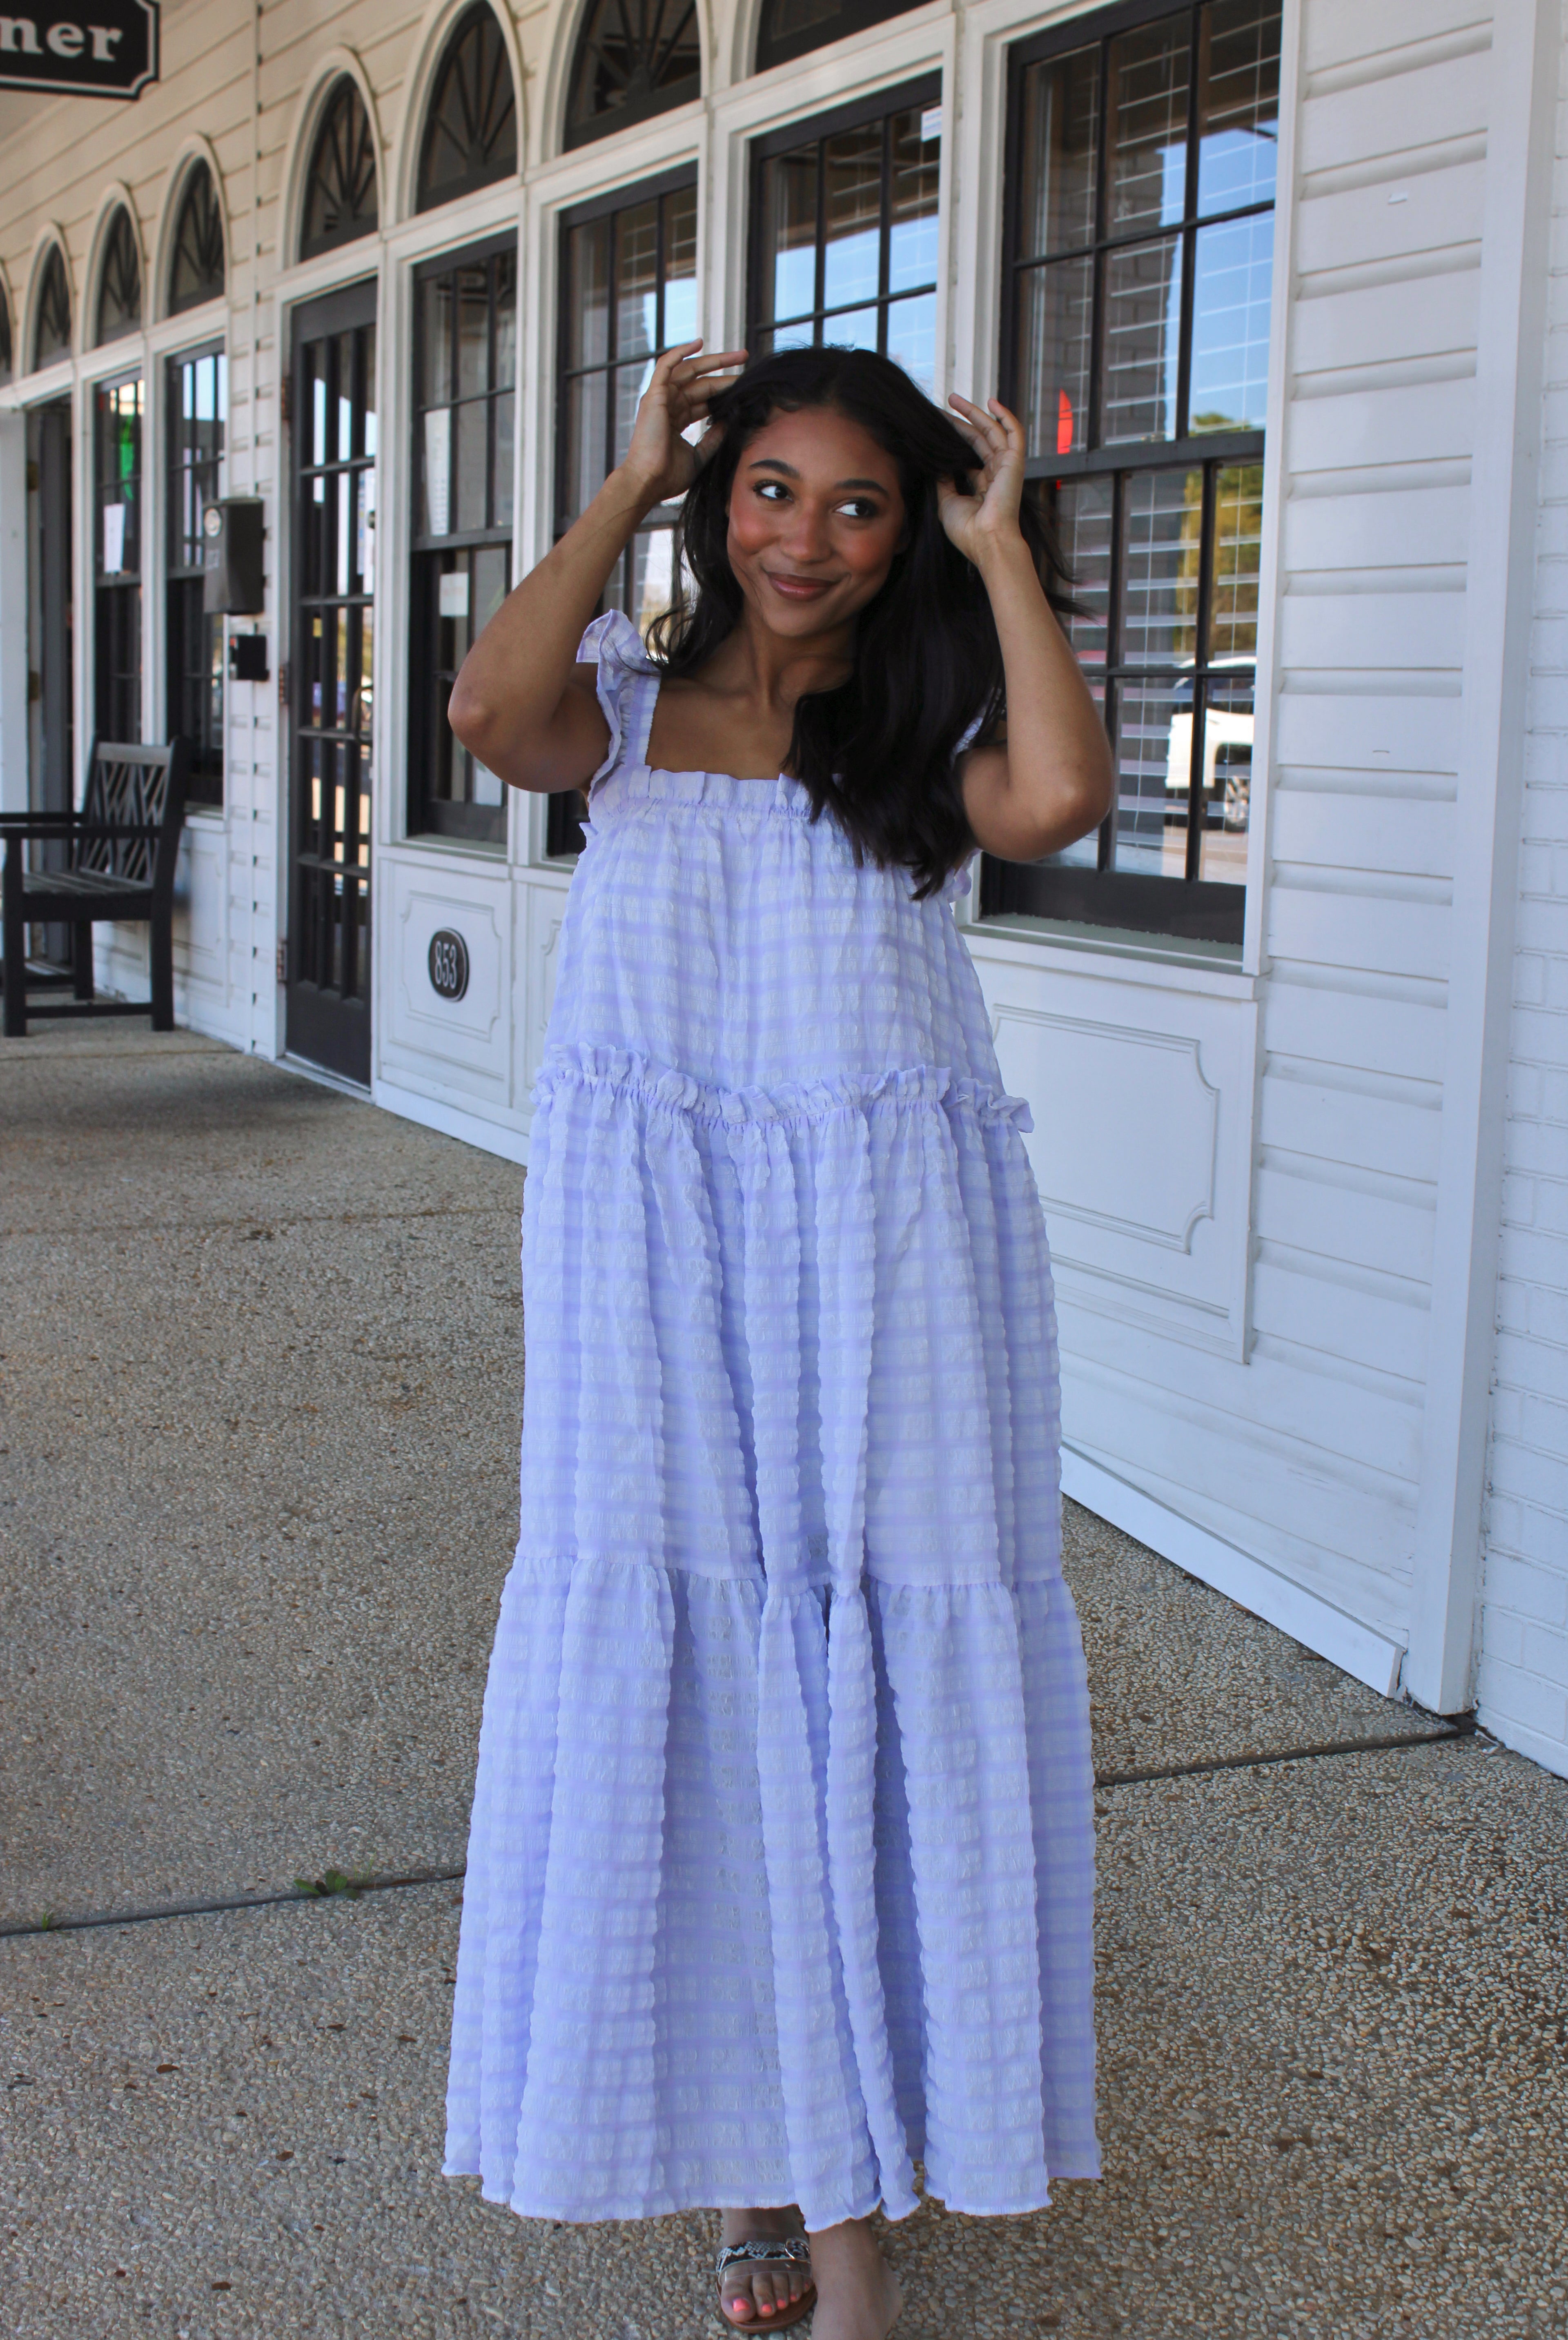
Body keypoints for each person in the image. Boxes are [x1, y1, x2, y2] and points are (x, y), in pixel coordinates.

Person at [441, 341, 1113, 2340]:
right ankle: (769, 2168)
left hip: (887, 1265)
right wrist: (631, 480)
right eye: (770, 489)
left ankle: (843, 2228)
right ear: (717, 501)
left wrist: (1005, 550)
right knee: (715, 1669)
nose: (804, 538)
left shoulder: (921, 741)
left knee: (858, 1665)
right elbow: (485, 711)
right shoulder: (626, 720)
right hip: (655, 1255)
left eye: (859, 504)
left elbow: (1062, 796)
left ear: (909, 535)